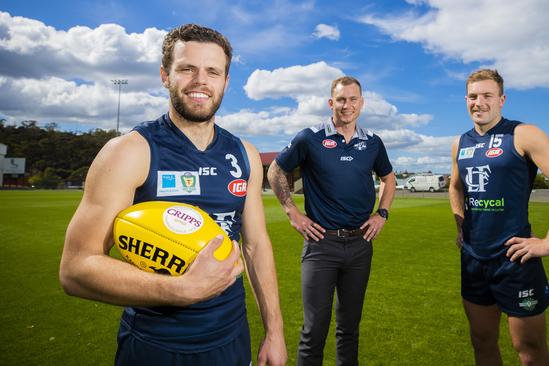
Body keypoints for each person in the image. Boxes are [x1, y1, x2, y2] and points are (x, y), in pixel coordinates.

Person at [59, 24, 287, 366]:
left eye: (213, 71)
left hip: (231, 339)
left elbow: (255, 246)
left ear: (225, 82)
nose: (200, 81)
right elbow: (75, 268)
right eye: (187, 69)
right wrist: (180, 290)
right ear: (165, 75)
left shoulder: (245, 155)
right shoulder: (129, 152)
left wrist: (275, 332)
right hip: (155, 345)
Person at [449, 69, 549, 366]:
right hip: (473, 259)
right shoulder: (460, 143)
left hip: (515, 259)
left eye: (487, 95)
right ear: (466, 100)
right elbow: (455, 185)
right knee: (482, 342)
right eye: (473, 96)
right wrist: (460, 222)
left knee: (528, 349)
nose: (479, 102)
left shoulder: (523, 134)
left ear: (501, 99)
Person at [267, 76, 396, 366]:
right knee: (314, 330)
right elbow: (275, 171)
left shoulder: (373, 142)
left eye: (353, 99)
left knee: (349, 329)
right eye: (341, 100)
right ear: (331, 103)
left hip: (361, 243)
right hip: (321, 244)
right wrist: (292, 212)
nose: (347, 105)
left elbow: (389, 179)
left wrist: (382, 213)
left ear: (361, 104)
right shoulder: (309, 138)